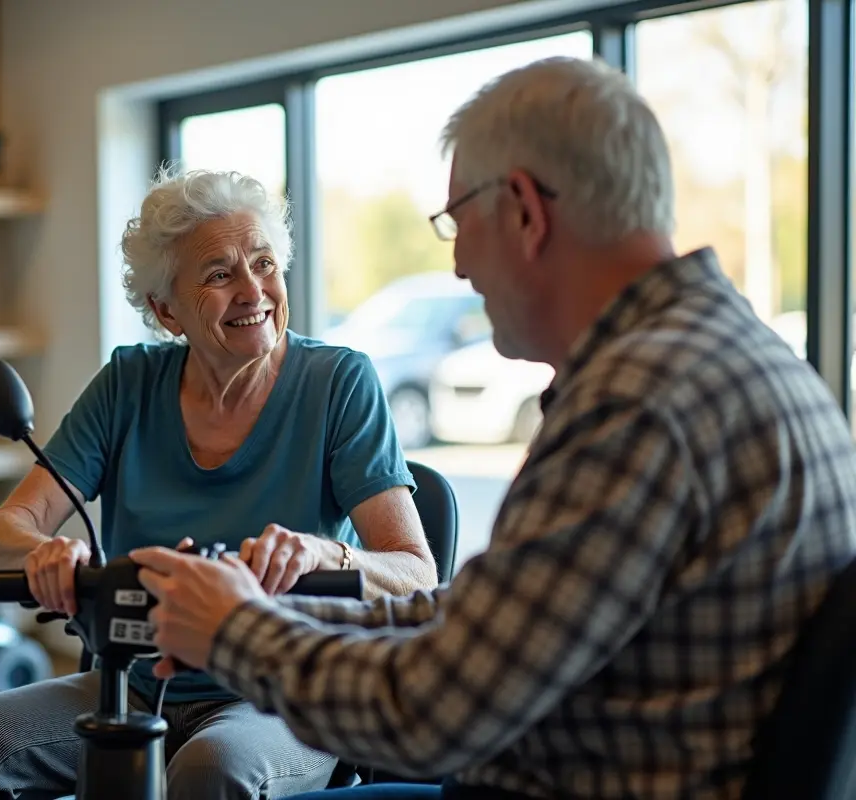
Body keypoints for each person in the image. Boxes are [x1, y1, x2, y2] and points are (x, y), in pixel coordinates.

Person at [128, 56, 856, 800]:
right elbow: (492, 622)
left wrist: (234, 635)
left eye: (457, 220)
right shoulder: (721, 355)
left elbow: (428, 713)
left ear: (523, 211)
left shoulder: (640, 405)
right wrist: (269, 608)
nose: (458, 266)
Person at [0, 167, 438, 800]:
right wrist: (46, 553)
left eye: (263, 263)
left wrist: (325, 551)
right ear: (164, 310)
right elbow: (0, 535)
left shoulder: (339, 383)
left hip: (278, 689)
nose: (252, 291)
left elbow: (416, 573)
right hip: (132, 682)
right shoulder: (129, 384)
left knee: (212, 767)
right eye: (218, 275)